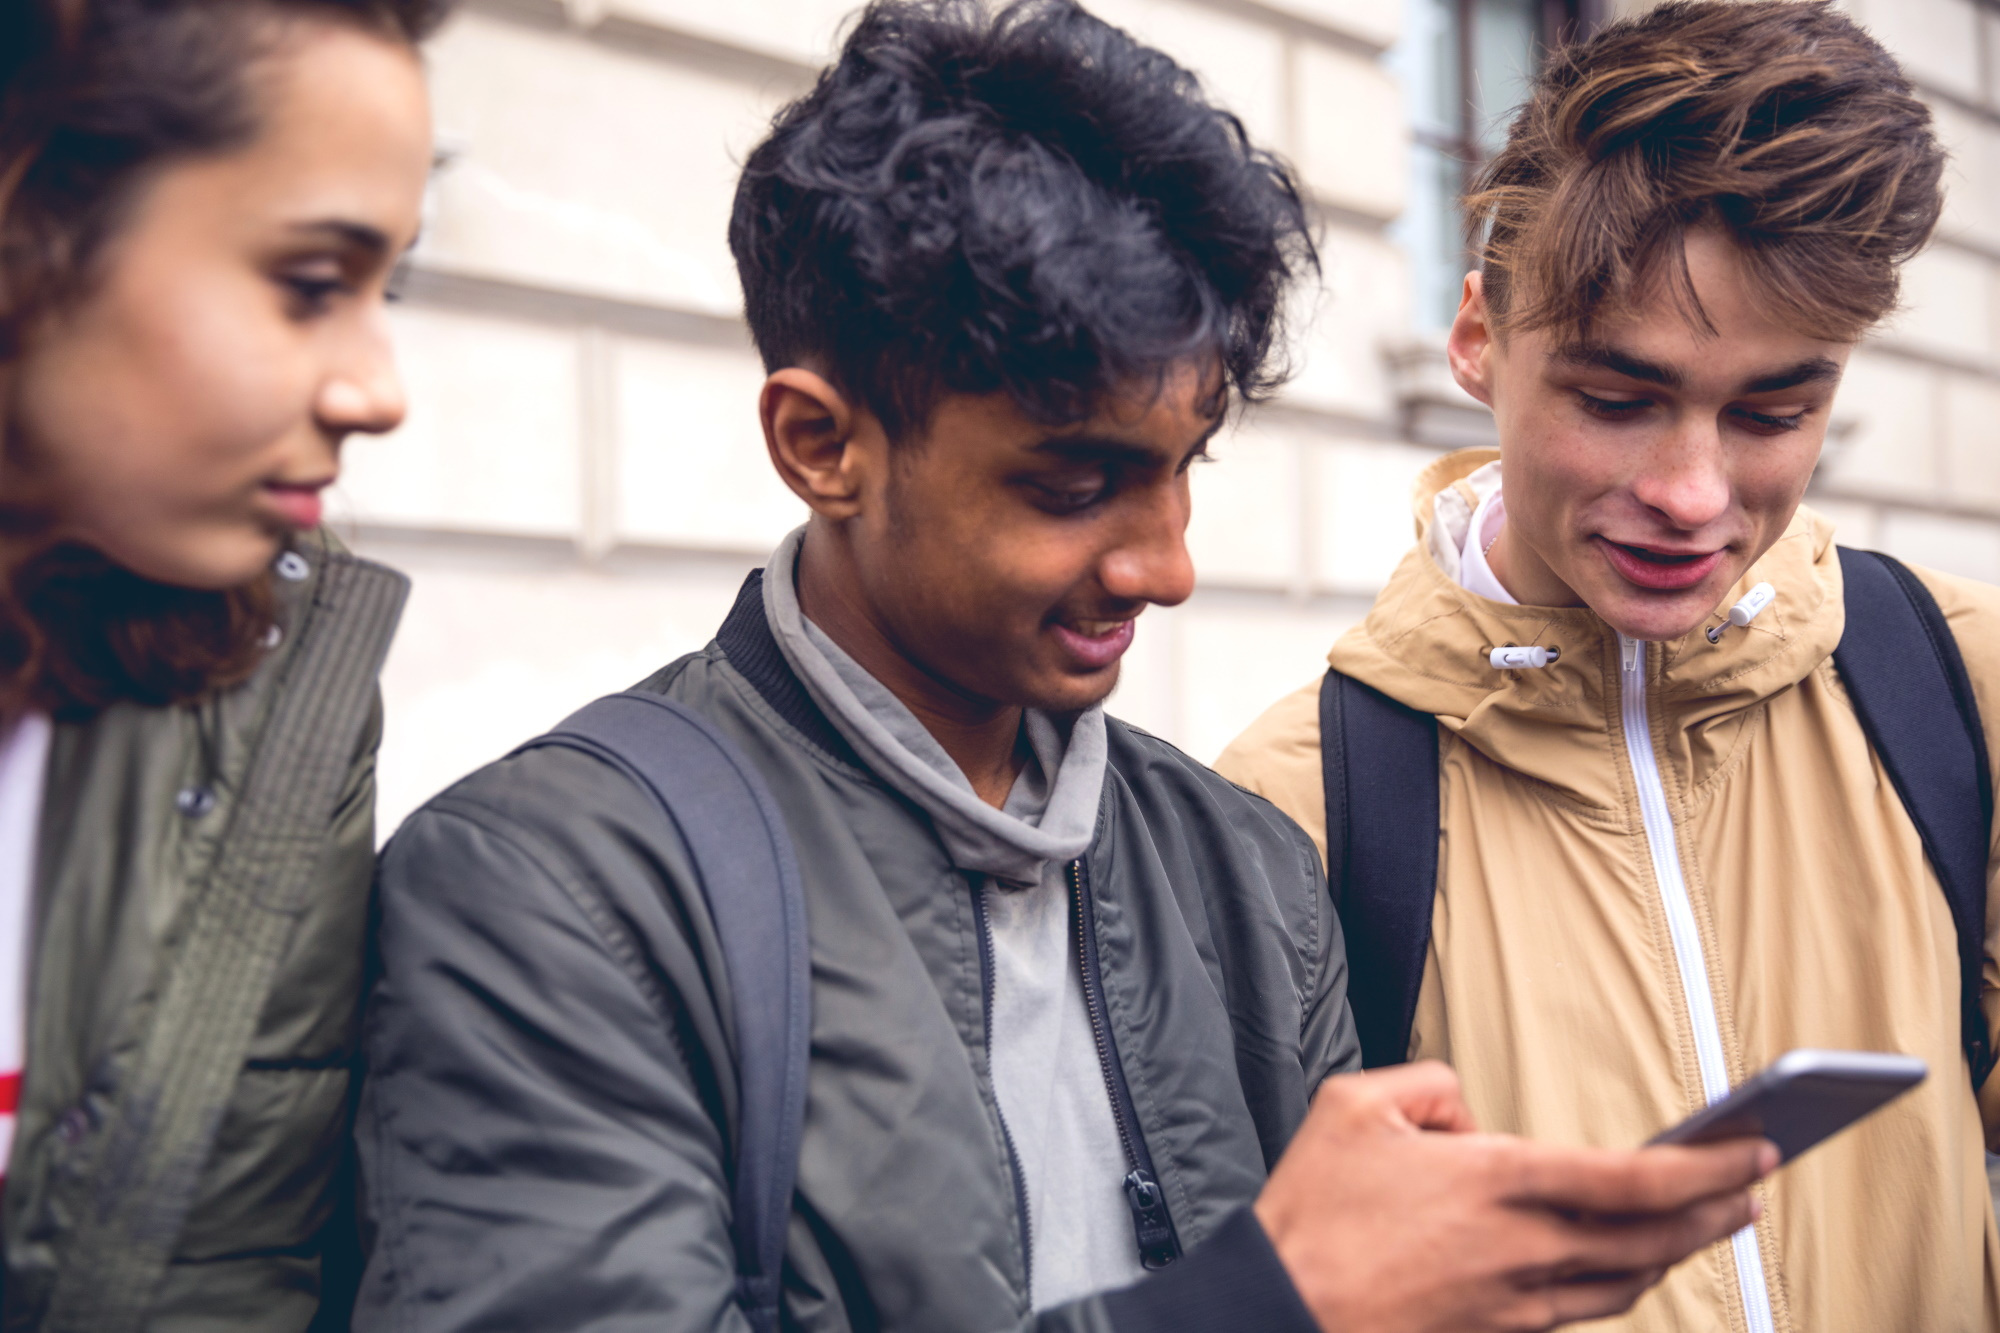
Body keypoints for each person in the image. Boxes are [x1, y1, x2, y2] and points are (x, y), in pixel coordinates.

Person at [355, 4, 1771, 1330]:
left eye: (1184, 467)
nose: (1167, 563)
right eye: (1077, 482)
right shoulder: (545, 889)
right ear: (820, 443)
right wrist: (1263, 1300)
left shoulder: (1245, 868)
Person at [1219, 3, 1991, 1330]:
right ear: (1476, 339)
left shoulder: (1955, 677)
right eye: (1617, 399)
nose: (1693, 494)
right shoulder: (1292, 805)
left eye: (1771, 412)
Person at [0, 0, 440, 1325]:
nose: (379, 386)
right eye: (312, 282)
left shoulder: (272, 694)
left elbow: (232, 1271)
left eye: (388, 289)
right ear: (31, 223)